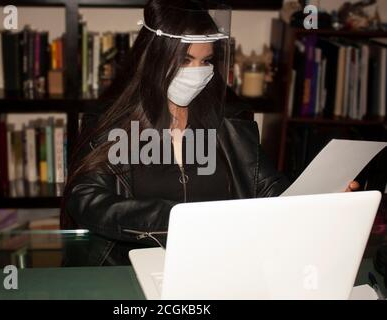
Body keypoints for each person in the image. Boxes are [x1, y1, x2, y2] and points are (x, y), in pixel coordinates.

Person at [60, 0, 358, 266]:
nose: (198, 72)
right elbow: (86, 198)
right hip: (133, 270)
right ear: (154, 60)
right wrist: (177, 218)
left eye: (205, 61)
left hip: (221, 263)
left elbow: (268, 189)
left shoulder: (229, 119)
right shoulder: (113, 123)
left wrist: (321, 194)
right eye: (186, 60)